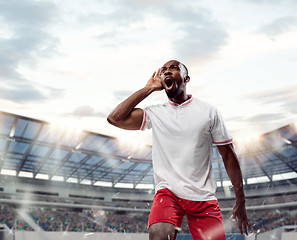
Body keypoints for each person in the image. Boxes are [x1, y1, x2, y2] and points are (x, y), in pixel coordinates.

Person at [107, 60, 251, 240]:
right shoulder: (155, 113)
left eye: (174, 68)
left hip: (203, 197)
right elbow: (114, 118)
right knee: (158, 235)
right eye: (164, 70)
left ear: (186, 78)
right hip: (168, 193)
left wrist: (241, 199)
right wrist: (148, 88)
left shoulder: (209, 111)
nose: (167, 72)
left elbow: (228, 155)